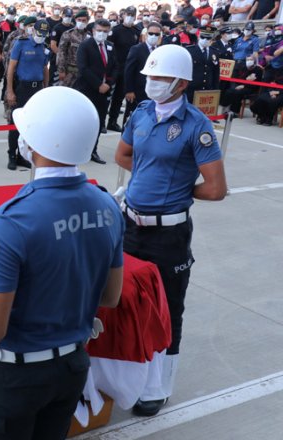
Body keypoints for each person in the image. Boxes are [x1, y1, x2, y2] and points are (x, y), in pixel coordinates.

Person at [0, 86, 124, 440]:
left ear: (37, 143)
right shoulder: (107, 206)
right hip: (71, 368)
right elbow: (110, 297)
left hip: (14, 379)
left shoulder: (12, 220)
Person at [115, 44, 227, 417]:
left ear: (180, 83)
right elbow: (123, 155)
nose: (152, 83)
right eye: (150, 77)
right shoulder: (142, 113)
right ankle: (125, 374)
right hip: (131, 225)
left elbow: (215, 188)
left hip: (169, 236)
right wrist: (148, 180)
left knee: (167, 309)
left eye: (160, 78)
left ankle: (158, 387)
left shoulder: (198, 126)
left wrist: (177, 188)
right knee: (126, 301)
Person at [5, 18, 48, 170]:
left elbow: (45, 68)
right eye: (39, 32)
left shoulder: (44, 47)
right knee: (16, 123)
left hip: (37, 89)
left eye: (44, 34)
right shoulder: (21, 43)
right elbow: (11, 68)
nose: (41, 36)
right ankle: (11, 154)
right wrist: (10, 90)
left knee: (31, 124)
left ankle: (22, 156)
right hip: (22, 87)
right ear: (33, 30)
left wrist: (45, 88)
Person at [75, 19, 117, 164]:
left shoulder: (110, 46)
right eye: (99, 31)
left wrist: (108, 83)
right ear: (93, 31)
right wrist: (98, 84)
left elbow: (115, 67)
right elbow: (83, 68)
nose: (102, 34)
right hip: (88, 89)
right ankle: (78, 150)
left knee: (99, 122)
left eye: (105, 31)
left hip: (104, 91)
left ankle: (93, 150)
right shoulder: (85, 46)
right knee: (83, 121)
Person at [107, 7, 142, 132]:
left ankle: (113, 121)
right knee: (108, 95)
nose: (130, 16)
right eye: (128, 14)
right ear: (123, 15)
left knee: (119, 97)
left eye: (133, 14)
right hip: (114, 67)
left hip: (127, 69)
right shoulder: (115, 30)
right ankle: (102, 121)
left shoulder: (136, 31)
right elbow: (109, 48)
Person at [124, 22, 163, 124]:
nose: (153, 36)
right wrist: (129, 90)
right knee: (132, 119)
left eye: (156, 34)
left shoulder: (160, 50)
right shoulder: (137, 49)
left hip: (154, 92)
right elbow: (129, 70)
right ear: (146, 34)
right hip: (137, 91)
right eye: (151, 33)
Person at [186, 25, 221, 102]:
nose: (205, 40)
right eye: (203, 37)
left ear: (212, 39)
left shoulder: (214, 52)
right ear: (198, 36)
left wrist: (215, 90)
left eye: (208, 38)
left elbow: (216, 72)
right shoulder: (190, 51)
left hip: (207, 90)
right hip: (191, 89)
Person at [56, 8, 89, 88]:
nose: (81, 22)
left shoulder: (90, 36)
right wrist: (61, 70)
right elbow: (61, 53)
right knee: (64, 94)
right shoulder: (68, 34)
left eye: (84, 20)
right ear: (75, 20)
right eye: (79, 20)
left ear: (87, 21)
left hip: (83, 73)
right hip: (69, 72)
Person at [0, 6, 16, 102]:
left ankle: (4, 94)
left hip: (12, 55)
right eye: (10, 14)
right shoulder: (1, 24)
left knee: (8, 76)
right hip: (3, 53)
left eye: (13, 14)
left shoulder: (17, 25)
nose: (11, 16)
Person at [49, 7, 74, 86]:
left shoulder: (73, 28)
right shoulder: (57, 28)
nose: (68, 18)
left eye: (70, 16)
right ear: (62, 15)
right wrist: (61, 57)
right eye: (66, 16)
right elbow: (53, 45)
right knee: (54, 83)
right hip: (57, 60)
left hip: (70, 62)